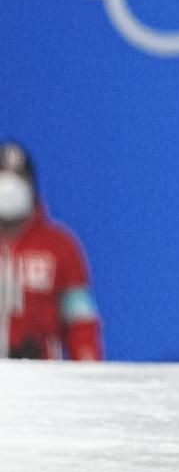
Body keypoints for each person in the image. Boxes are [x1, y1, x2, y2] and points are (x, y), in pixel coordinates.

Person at [0, 140, 103, 359]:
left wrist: (88, 367)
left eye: (18, 179)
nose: (8, 189)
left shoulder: (59, 246)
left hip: (41, 376)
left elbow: (80, 320)